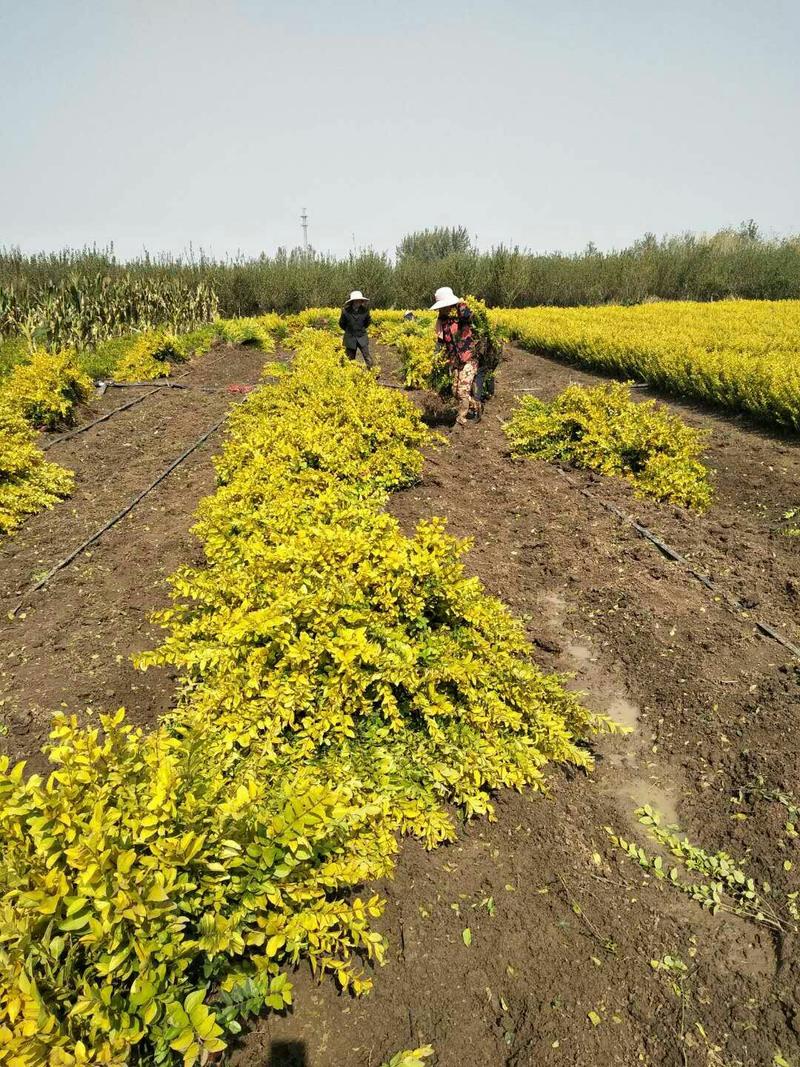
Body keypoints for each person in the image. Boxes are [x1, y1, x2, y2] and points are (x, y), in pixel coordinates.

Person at [430, 286, 480, 425]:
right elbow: (440, 341)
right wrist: (436, 356)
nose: (441, 309)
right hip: (455, 359)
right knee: (455, 391)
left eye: (444, 306)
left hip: (468, 358)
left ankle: (461, 420)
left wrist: (460, 304)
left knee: (463, 391)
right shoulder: (441, 322)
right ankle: (476, 406)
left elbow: (467, 315)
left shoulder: (462, 317)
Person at [339, 290, 373, 368]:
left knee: (367, 356)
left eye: (360, 301)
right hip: (350, 337)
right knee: (350, 358)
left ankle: (372, 372)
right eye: (357, 301)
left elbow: (367, 322)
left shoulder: (365, 311)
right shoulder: (345, 311)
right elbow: (341, 324)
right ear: (353, 301)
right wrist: (350, 330)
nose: (359, 302)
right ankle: (349, 374)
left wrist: (360, 329)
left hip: (362, 336)